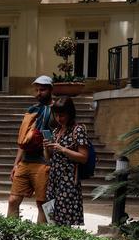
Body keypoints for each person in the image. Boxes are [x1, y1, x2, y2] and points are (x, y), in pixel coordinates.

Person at [8, 75, 55, 223]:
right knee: (13, 200)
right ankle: (10, 234)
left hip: (43, 163)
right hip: (26, 161)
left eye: (42, 89)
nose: (39, 93)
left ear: (50, 90)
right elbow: (24, 140)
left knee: (42, 203)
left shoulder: (57, 110)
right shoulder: (32, 110)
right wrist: (16, 164)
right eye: (37, 90)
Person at [44, 96, 89, 226]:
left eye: (62, 115)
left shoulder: (78, 130)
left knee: (65, 221)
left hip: (68, 180)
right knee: (51, 219)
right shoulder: (56, 131)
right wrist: (46, 147)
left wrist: (62, 149)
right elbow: (49, 158)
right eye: (56, 115)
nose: (59, 119)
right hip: (54, 179)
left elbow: (83, 157)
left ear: (70, 113)